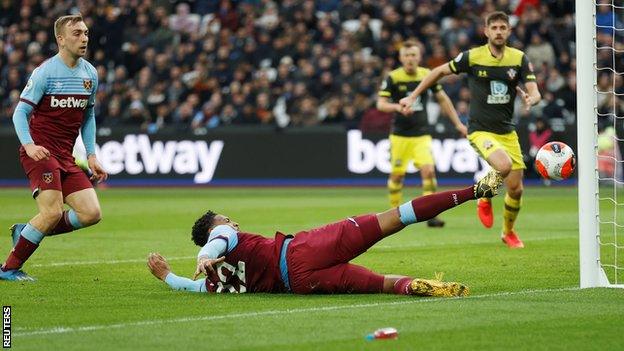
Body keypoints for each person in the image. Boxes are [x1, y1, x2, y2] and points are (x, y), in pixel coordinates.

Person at [147, 170, 503, 296]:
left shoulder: (214, 282)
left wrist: (166, 276)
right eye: (227, 219)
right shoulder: (222, 236)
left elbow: (190, 286)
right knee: (396, 217)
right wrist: (205, 253)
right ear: (217, 224)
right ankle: (473, 192)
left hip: (301, 285)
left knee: (380, 284)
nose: (234, 223)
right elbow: (220, 239)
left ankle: (420, 285)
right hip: (304, 250)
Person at [399, 12, 541, 248]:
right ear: (486, 31)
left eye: (502, 27)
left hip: (507, 130)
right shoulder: (473, 57)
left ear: (509, 31)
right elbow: (438, 72)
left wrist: (532, 99)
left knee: (516, 190)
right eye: (493, 27)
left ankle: (508, 232)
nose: (498, 31)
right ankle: (484, 195)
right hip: (479, 130)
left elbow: (534, 90)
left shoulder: (519, 58)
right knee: (503, 166)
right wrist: (413, 96)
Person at [0, 14, 107, 281]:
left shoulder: (90, 73)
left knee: (91, 213)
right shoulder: (45, 72)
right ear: (60, 39)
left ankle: (27, 231)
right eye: (77, 34)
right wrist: (30, 145)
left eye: (85, 33)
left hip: (65, 156)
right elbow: (19, 114)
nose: (84, 38)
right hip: (41, 153)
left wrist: (91, 154)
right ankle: (8, 268)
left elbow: (88, 116)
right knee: (51, 212)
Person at [376, 40, 467, 228]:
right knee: (397, 177)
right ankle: (393, 216)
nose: (410, 59)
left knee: (429, 171)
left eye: (413, 55)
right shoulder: (393, 77)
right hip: (400, 136)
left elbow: (442, 99)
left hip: (421, 134)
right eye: (407, 55)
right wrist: (397, 107)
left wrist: (458, 123)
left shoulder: (427, 75)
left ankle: (431, 214)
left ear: (419, 57)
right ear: (401, 58)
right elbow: (380, 104)